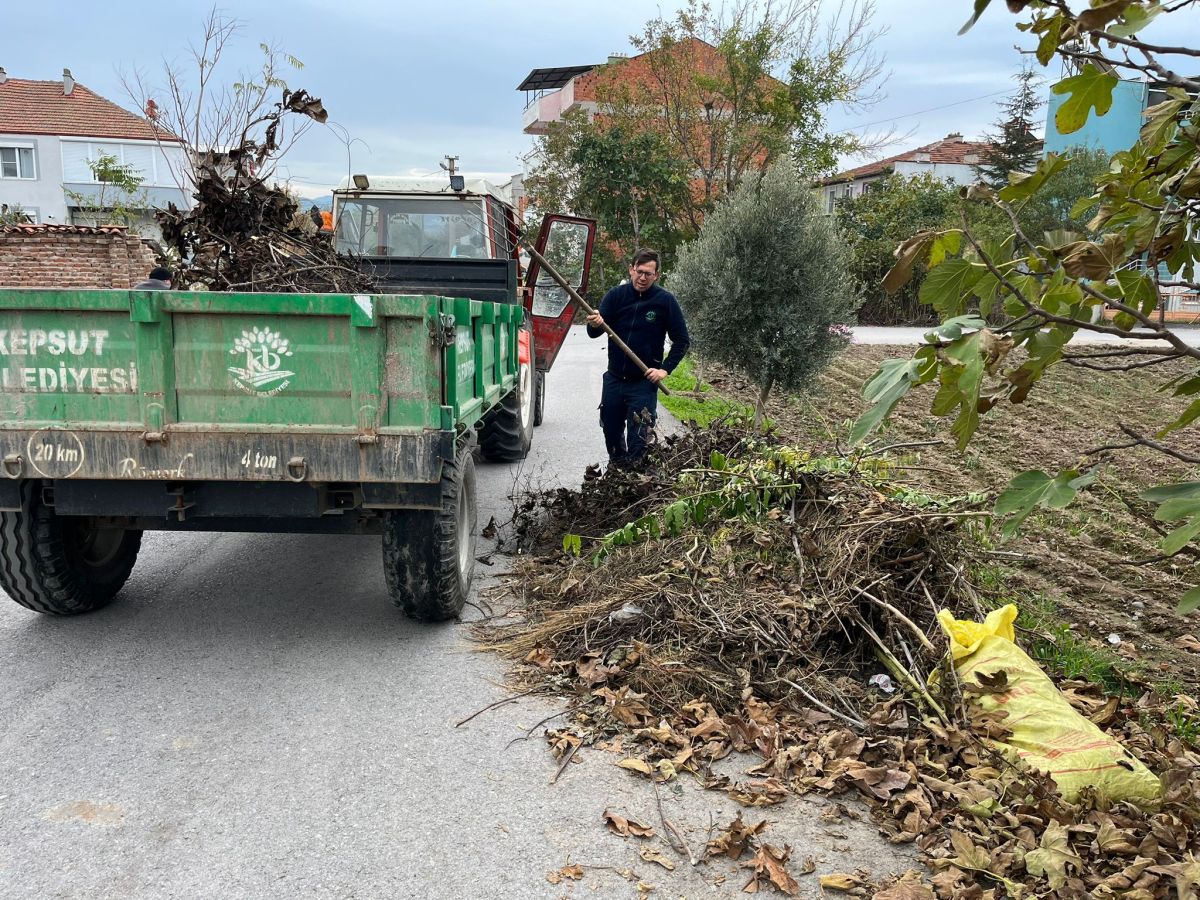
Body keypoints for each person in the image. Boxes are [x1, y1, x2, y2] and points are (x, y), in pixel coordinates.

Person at [586, 248, 690, 466]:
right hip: (614, 380)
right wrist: (594, 323)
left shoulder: (665, 301)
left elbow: (682, 340)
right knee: (611, 432)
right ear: (631, 269)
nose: (642, 278)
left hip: (643, 384)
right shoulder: (616, 296)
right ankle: (617, 473)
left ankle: (636, 477)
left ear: (656, 275)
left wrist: (664, 370)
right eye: (639, 271)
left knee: (639, 439)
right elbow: (593, 333)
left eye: (648, 274)